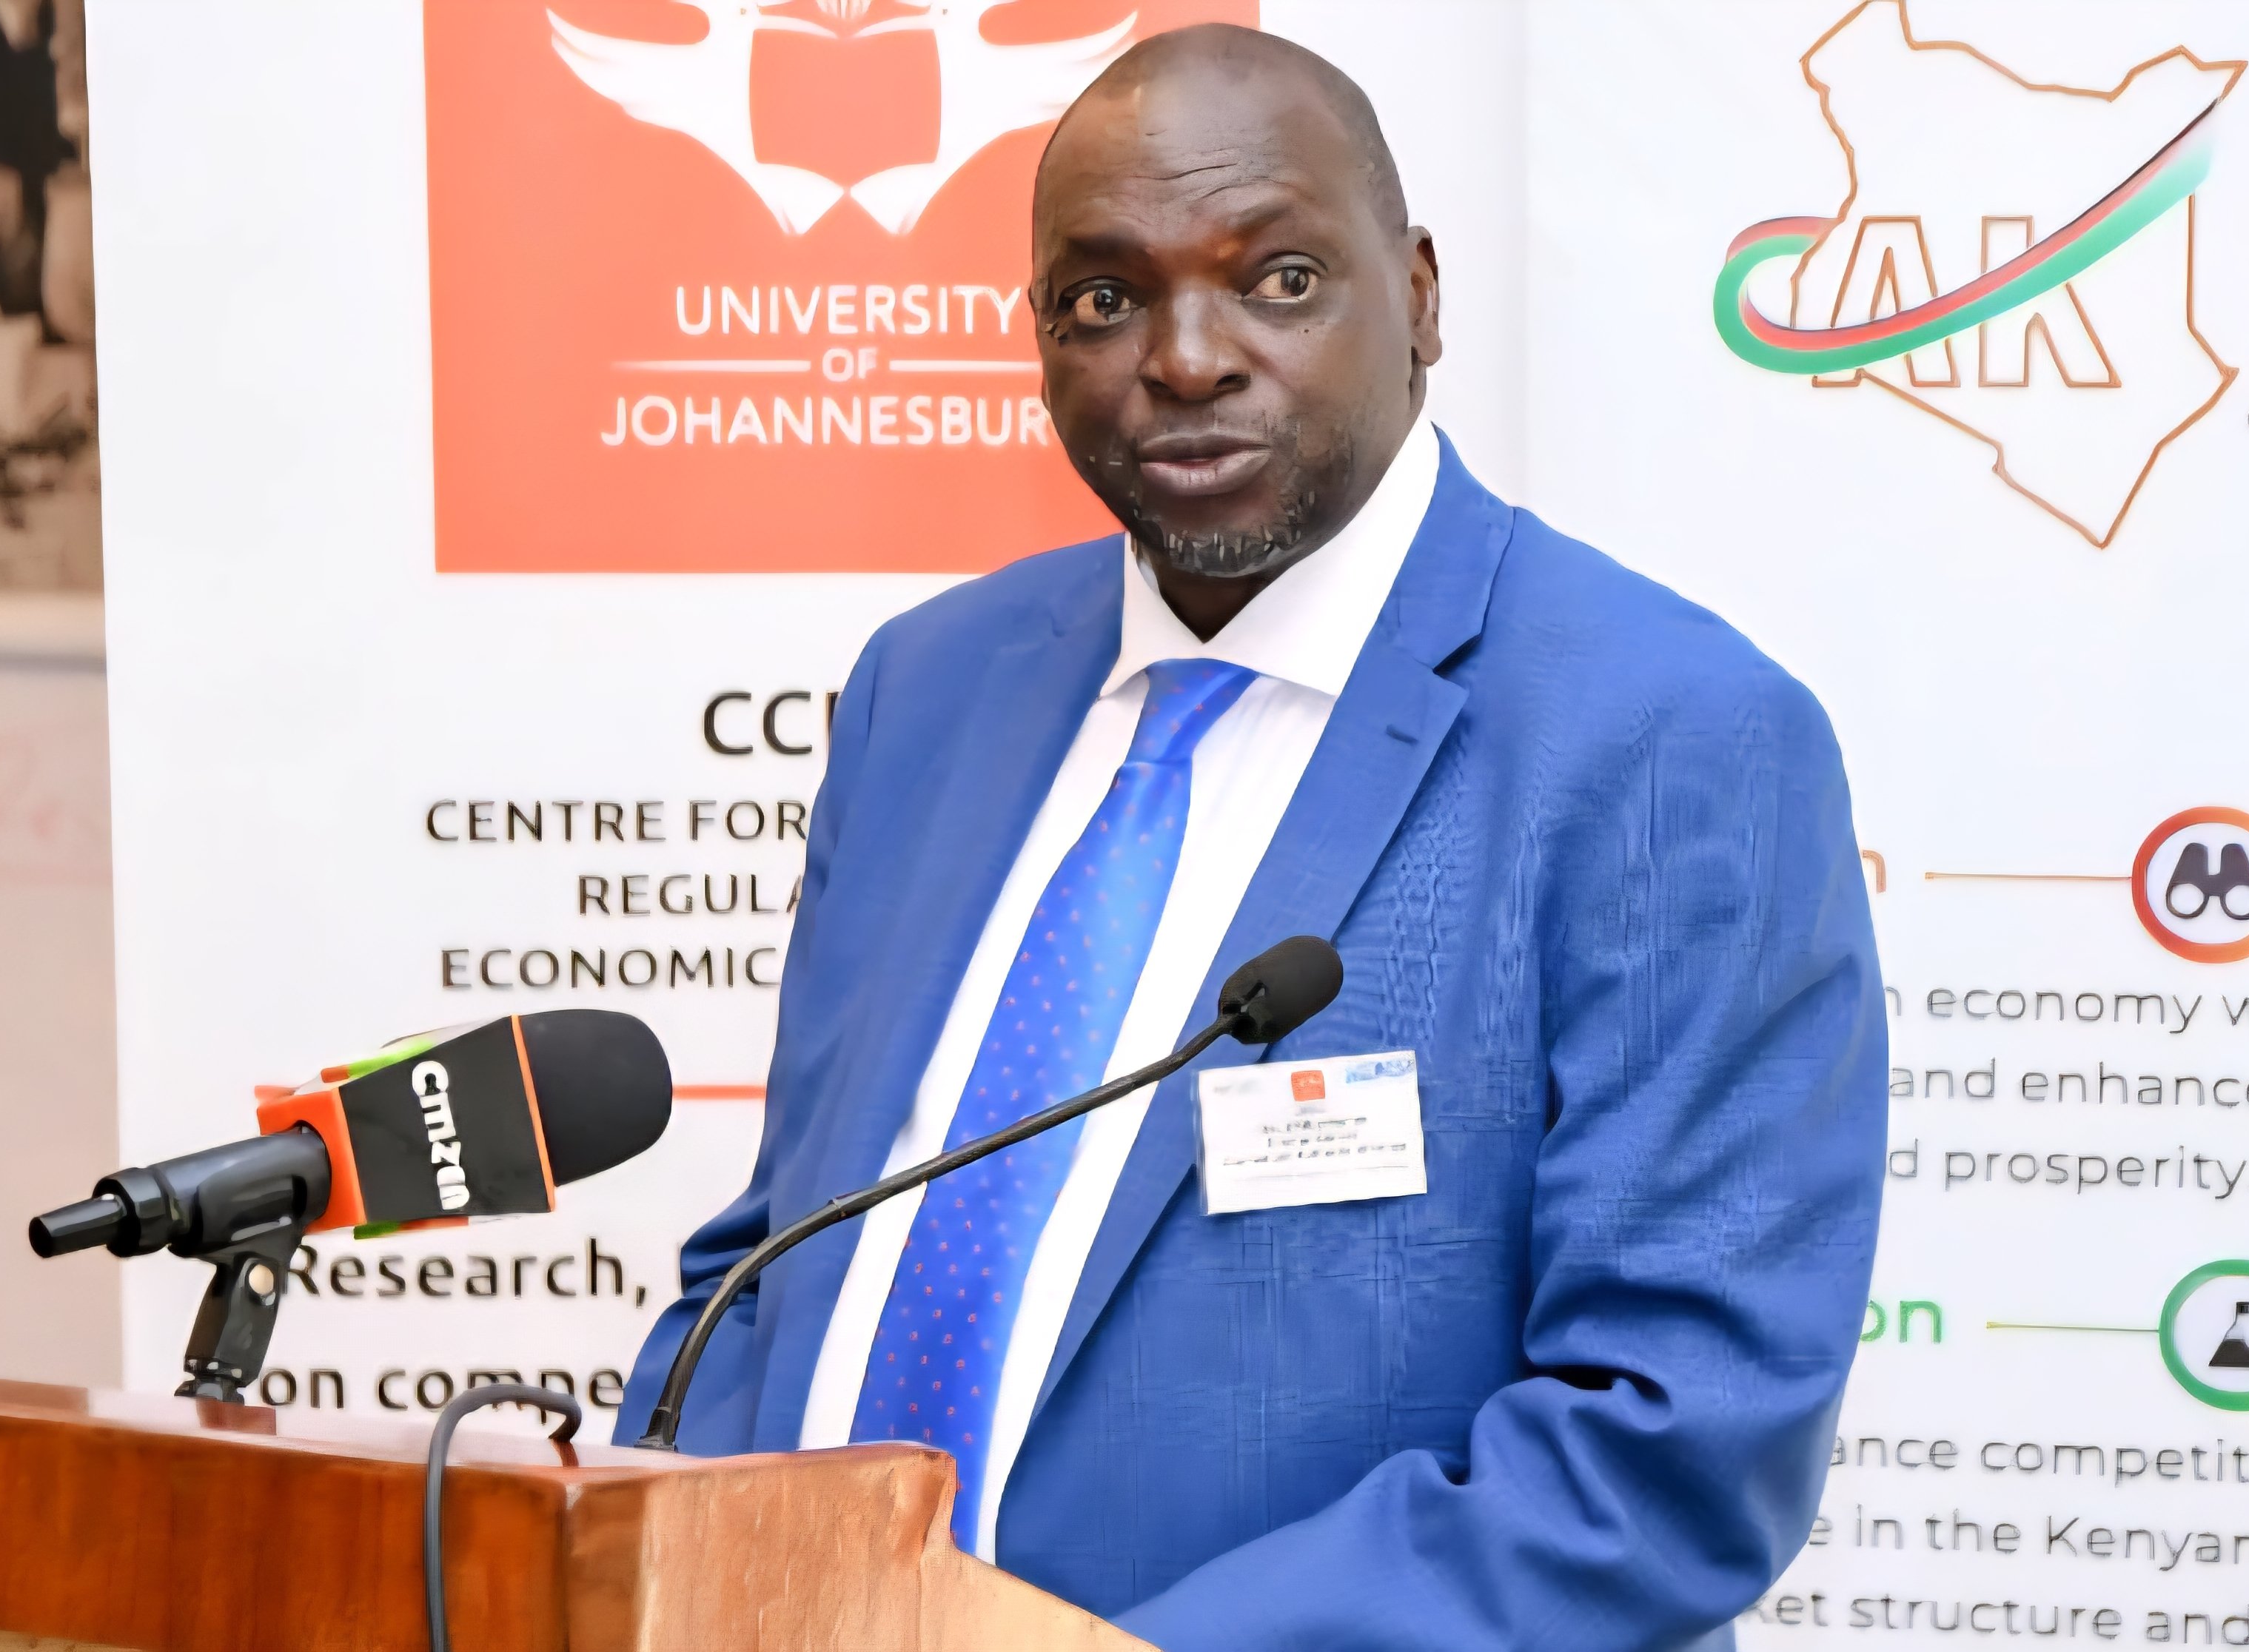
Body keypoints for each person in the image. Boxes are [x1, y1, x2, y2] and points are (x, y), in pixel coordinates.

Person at [618, 24, 1886, 1650]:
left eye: (1277, 279)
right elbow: (781, 1246)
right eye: (1103, 296)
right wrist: (661, 1560)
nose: (1187, 354)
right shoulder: (924, 691)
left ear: (1418, 298)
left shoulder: (1667, 739)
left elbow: (1669, 1448)